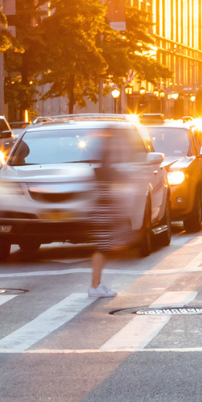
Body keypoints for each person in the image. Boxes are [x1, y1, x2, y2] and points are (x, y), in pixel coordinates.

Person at [85, 125, 140, 301]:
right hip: (103, 208)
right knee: (103, 248)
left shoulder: (101, 156)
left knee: (103, 247)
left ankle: (96, 284)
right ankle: (95, 286)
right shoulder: (105, 158)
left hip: (101, 207)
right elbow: (109, 179)